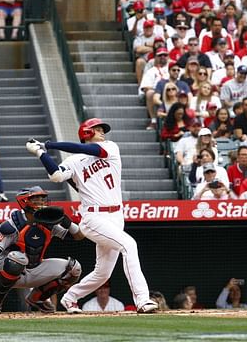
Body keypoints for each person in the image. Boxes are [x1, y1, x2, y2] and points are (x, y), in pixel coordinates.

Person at [26, 119, 158, 314]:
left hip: (116, 215)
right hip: (93, 217)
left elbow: (87, 150)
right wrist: (41, 153)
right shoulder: (73, 160)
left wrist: (48, 144)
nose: (102, 132)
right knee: (129, 245)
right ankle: (142, 300)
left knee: (102, 273)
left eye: (101, 129)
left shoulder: (110, 148)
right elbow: (55, 176)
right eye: (97, 129)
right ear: (86, 133)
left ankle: (70, 298)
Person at [0, 186, 83, 314]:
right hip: (6, 268)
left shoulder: (49, 221)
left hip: (34, 267)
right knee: (18, 258)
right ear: (25, 201)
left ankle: (37, 299)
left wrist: (67, 221)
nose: (41, 202)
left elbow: (79, 236)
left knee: (74, 268)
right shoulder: (13, 223)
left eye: (43, 198)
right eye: (36, 199)